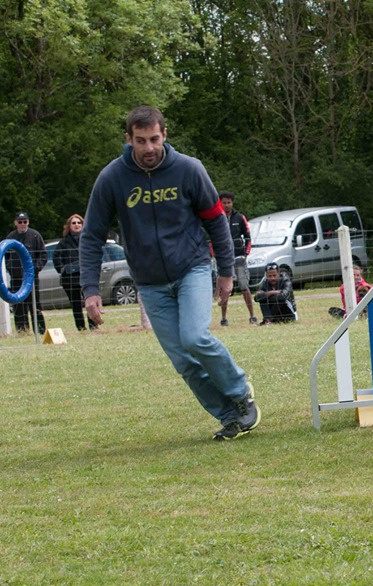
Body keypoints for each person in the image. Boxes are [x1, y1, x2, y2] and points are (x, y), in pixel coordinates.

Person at [80, 106, 259, 441]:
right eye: (140, 140)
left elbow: (216, 220)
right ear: (128, 139)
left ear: (164, 134)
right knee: (182, 360)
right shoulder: (112, 179)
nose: (148, 148)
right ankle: (230, 417)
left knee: (194, 338)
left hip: (191, 268)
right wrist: (90, 288)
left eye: (154, 139)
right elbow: (91, 236)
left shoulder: (189, 170)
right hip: (149, 283)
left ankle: (240, 392)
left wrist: (225, 271)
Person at [217, 191, 257, 326]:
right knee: (225, 290)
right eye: (224, 202)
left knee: (244, 287)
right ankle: (223, 318)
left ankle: (252, 315)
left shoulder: (239, 217)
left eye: (229, 202)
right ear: (220, 203)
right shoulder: (216, 218)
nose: (227, 205)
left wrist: (245, 254)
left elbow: (248, 237)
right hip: (224, 259)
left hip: (239, 258)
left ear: (232, 203)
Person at [4, 211, 47, 333]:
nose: (22, 224)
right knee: (18, 305)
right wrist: (10, 268)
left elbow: (43, 255)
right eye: (20, 222)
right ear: (15, 223)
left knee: (35, 304)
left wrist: (35, 268)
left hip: (32, 278)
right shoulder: (10, 237)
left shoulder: (35, 235)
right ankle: (21, 330)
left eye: (25, 221)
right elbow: (5, 257)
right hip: (16, 278)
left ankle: (40, 330)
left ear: (28, 222)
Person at [53, 214, 97, 331]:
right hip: (70, 280)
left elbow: (95, 255)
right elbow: (56, 258)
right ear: (69, 226)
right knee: (76, 305)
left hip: (86, 278)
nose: (76, 225)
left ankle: (94, 326)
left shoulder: (88, 240)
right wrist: (63, 269)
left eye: (79, 222)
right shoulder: (63, 243)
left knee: (90, 302)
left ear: (83, 224)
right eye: (74, 223)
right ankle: (81, 328)